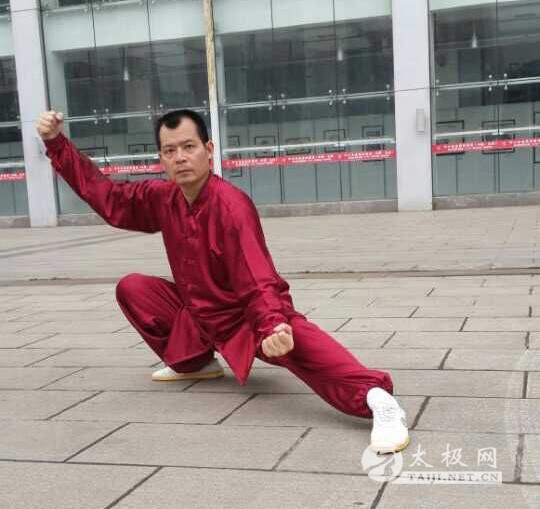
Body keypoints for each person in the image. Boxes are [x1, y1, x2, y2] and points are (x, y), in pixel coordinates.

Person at [36, 109, 409, 454]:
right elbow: (109, 198)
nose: (180, 157)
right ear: (161, 158)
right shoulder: (163, 197)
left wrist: (272, 325)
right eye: (170, 151)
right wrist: (57, 144)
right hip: (198, 317)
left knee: (294, 339)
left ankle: (379, 401)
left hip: (243, 321)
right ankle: (197, 363)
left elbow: (258, 277)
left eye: (189, 147)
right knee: (134, 289)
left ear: (209, 150)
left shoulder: (231, 205)